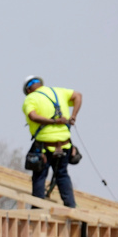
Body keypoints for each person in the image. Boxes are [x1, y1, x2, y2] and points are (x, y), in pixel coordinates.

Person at [21, 76, 81, 208]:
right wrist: (73, 116)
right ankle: (71, 207)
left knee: (39, 175)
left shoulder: (31, 98)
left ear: (28, 90)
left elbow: (33, 116)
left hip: (44, 146)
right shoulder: (58, 92)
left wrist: (53, 121)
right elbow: (78, 96)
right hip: (65, 145)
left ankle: (37, 209)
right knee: (62, 174)